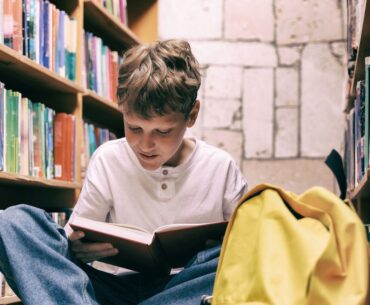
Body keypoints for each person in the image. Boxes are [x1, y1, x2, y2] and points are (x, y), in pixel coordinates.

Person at [0, 39, 247, 305]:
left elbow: (248, 248)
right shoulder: (108, 158)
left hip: (183, 288)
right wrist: (79, 248)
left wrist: (227, 251)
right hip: (113, 288)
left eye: (163, 132)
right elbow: (74, 241)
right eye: (134, 128)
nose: (145, 144)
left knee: (235, 258)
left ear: (192, 114)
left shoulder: (221, 166)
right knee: (13, 223)